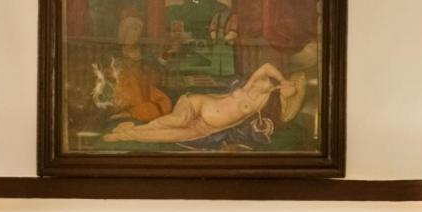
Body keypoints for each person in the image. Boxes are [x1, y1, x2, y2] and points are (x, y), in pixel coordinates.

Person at [104, 63, 305, 144]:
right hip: (197, 105)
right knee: (178, 120)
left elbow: (285, 112)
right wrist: (283, 79)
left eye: (267, 82)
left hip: (205, 127)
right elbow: (266, 67)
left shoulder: (266, 103)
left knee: (167, 136)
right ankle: (128, 132)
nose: (260, 81)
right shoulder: (252, 84)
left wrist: (288, 89)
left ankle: (127, 134)